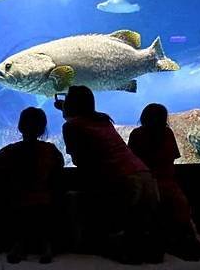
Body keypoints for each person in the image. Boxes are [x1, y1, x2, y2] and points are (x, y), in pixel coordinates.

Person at [58, 85, 163, 264]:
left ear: (70, 105)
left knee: (74, 199)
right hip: (147, 178)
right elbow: (84, 116)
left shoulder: (72, 126)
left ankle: (94, 245)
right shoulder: (104, 120)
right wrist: (67, 109)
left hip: (124, 182)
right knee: (139, 227)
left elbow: (80, 161)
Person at [128, 103, 200, 261]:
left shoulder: (136, 134)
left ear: (143, 118)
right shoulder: (167, 133)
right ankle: (188, 242)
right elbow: (172, 157)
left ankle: (173, 243)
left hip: (147, 184)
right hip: (169, 184)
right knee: (181, 216)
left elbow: (132, 160)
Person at [0, 107, 64, 264]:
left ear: (20, 127)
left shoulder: (11, 150)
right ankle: (46, 246)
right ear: (43, 129)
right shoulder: (50, 150)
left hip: (18, 204)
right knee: (45, 216)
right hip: (46, 205)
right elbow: (60, 164)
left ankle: (19, 245)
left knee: (17, 216)